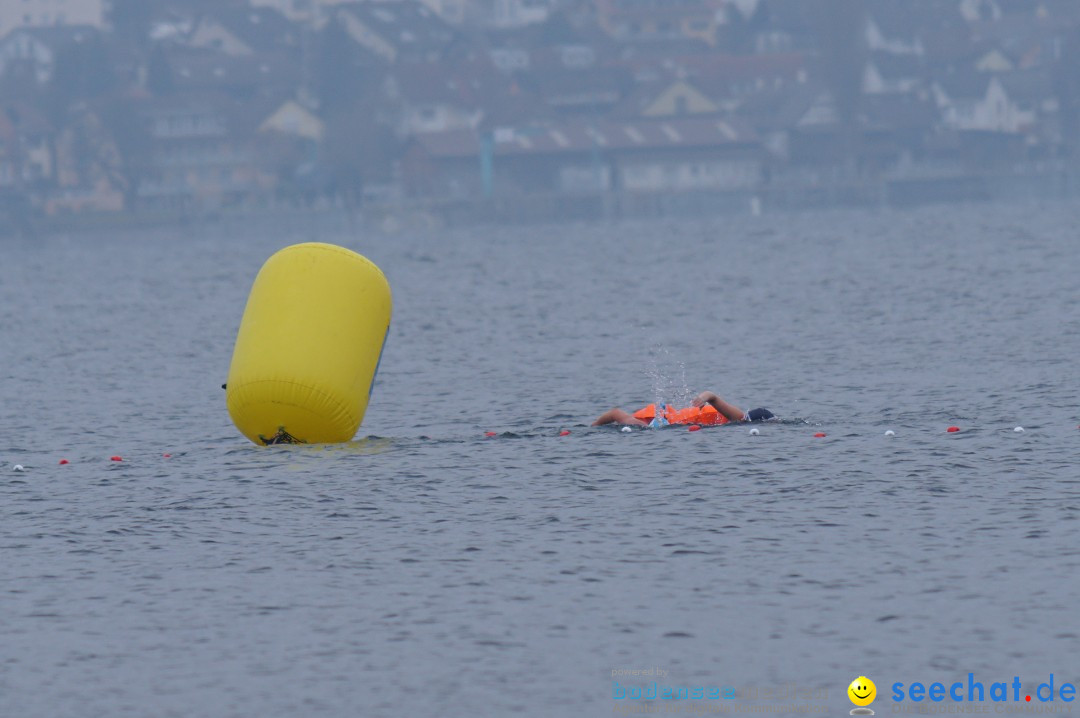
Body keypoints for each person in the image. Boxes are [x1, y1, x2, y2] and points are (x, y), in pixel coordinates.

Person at [592, 391, 774, 427]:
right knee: (619, 416)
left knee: (621, 417)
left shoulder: (734, 419)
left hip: (668, 417)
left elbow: (712, 397)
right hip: (664, 421)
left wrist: (705, 398)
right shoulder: (739, 418)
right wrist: (703, 398)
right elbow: (712, 395)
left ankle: (593, 427)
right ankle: (592, 428)